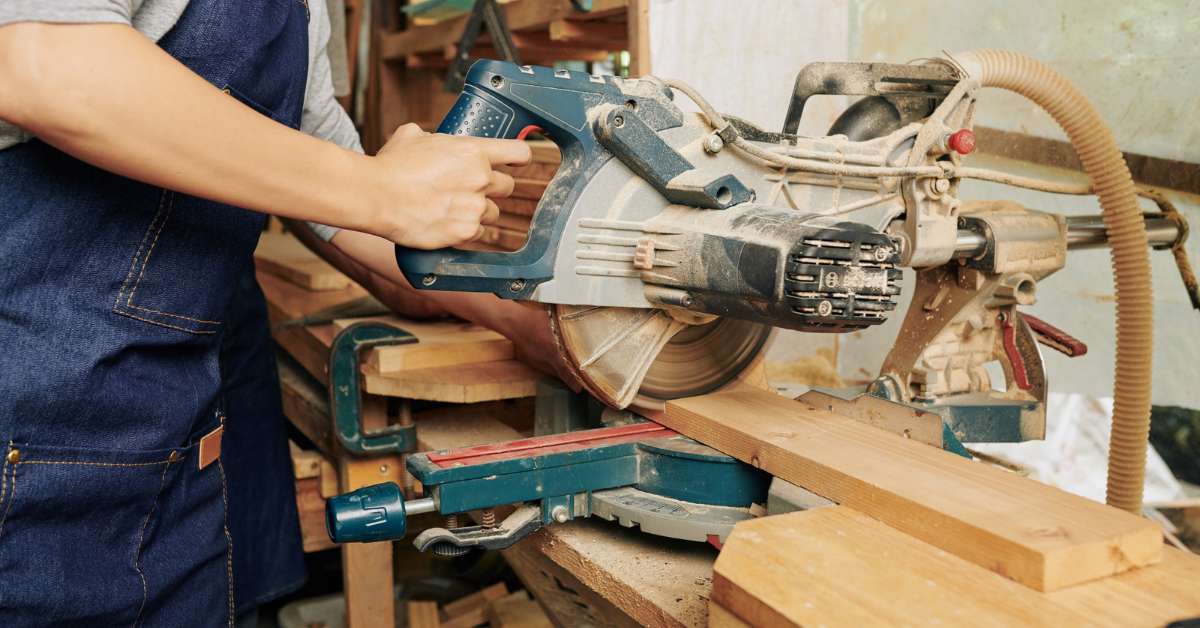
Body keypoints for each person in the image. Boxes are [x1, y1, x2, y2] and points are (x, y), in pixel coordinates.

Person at [0, 0, 568, 624]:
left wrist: (529, 322)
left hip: (173, 434)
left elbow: (330, 183)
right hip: (30, 427)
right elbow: (41, 62)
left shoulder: (307, 10)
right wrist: (382, 190)